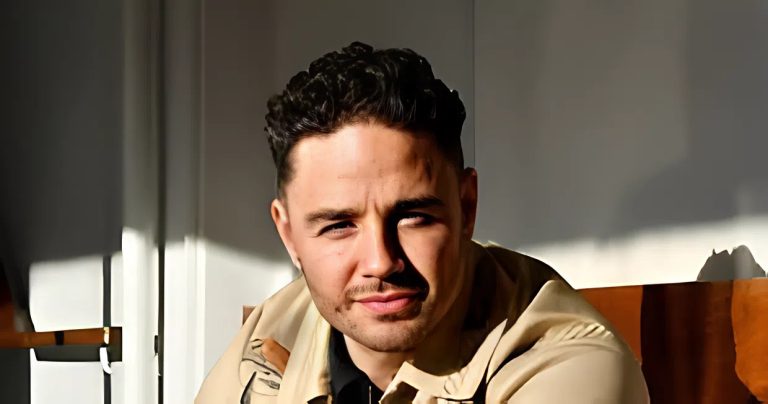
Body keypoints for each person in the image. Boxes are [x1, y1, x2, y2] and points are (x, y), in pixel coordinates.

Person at [196, 42, 648, 403]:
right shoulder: (274, 331)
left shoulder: (567, 365)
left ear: (466, 207)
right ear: (289, 234)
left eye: (413, 217)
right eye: (338, 226)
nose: (380, 262)